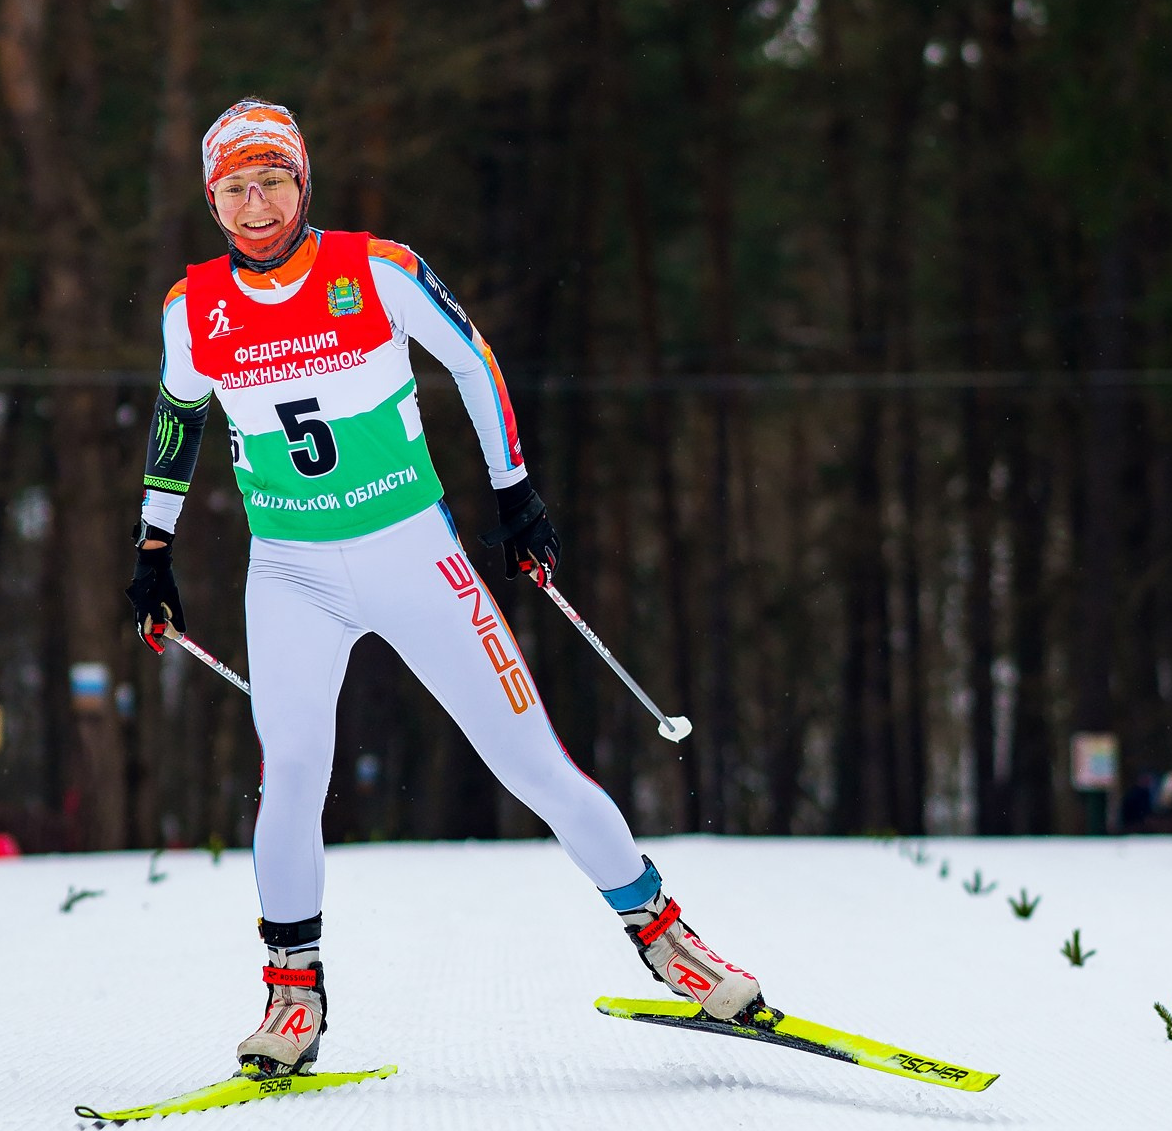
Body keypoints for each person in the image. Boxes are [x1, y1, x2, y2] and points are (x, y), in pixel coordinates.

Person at [127, 96, 770, 1079]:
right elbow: (178, 421)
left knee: (530, 762)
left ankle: (666, 941)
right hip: (291, 570)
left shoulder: (372, 270)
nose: (254, 206)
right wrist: (152, 550)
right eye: (233, 190)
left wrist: (514, 494)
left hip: (409, 551)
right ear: (211, 203)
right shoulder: (192, 308)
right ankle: (290, 993)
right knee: (292, 774)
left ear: (302, 184)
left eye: (271, 182)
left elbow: (472, 365)